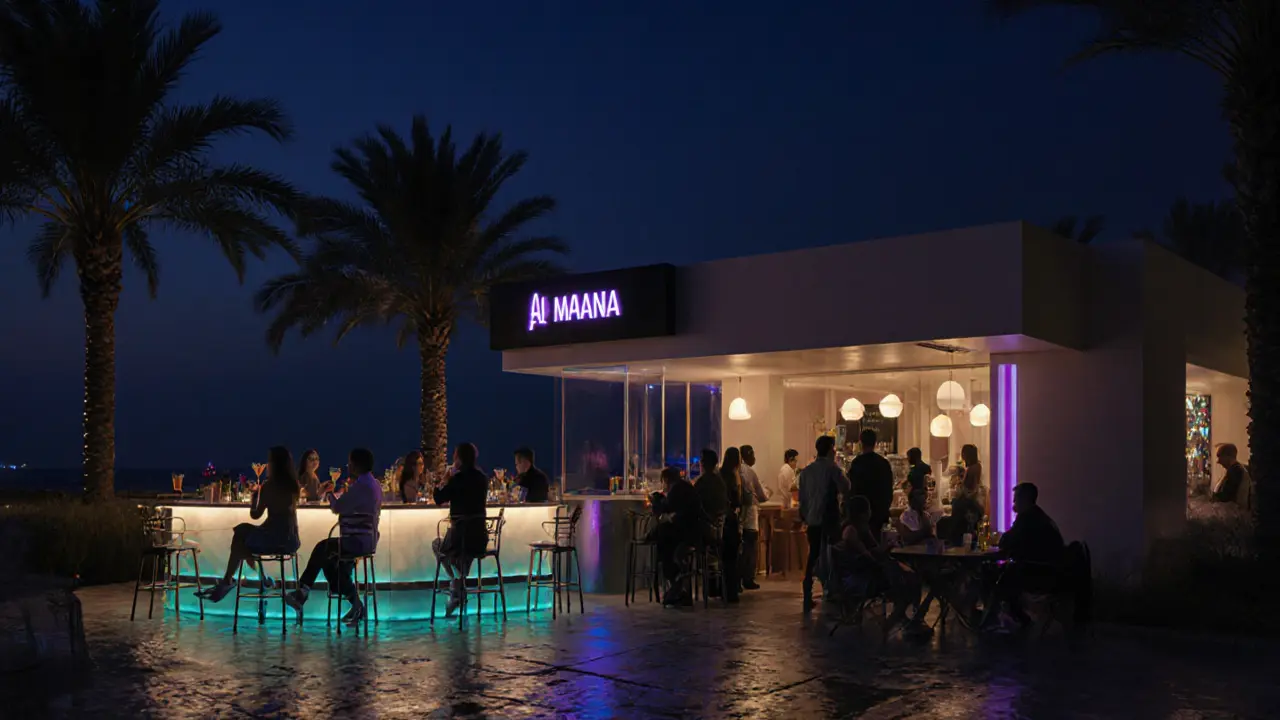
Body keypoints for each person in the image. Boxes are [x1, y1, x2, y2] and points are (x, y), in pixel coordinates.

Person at [285, 448, 383, 625]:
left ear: (356, 464)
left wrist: (329, 494)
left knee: (322, 548)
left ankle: (303, 592)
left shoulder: (361, 486)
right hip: (367, 540)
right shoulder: (374, 485)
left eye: (350, 463)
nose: (349, 466)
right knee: (328, 562)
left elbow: (337, 507)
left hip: (355, 541)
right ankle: (356, 605)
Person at [197, 446, 301, 602]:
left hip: (274, 540)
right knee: (242, 537)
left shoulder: (269, 486)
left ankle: (231, 580)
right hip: (291, 541)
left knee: (240, 536)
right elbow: (280, 517)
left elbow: (255, 515)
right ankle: (259, 580)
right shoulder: (294, 487)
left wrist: (254, 499)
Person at [830, 495, 921, 627]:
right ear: (862, 513)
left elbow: (873, 551)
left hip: (865, 573)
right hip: (863, 578)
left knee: (908, 579)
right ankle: (896, 622)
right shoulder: (851, 531)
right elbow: (867, 556)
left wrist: (888, 546)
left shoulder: (860, 528)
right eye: (869, 510)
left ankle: (901, 619)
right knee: (909, 582)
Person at [993, 483, 1066, 627]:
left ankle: (1003, 618)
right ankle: (1015, 617)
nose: (1013, 504)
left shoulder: (1027, 519)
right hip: (1053, 573)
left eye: (1015, 500)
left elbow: (1007, 542)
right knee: (1005, 573)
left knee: (998, 577)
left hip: (1037, 575)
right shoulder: (1040, 517)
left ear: (1024, 500)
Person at [432, 442, 490, 615]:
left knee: (437, 545)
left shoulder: (457, 479)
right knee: (463, 556)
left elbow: (438, 498)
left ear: (458, 459)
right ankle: (457, 587)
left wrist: (444, 480)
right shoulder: (482, 478)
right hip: (480, 539)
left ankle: (457, 583)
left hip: (460, 538)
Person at [798, 434, 851, 612]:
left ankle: (807, 591)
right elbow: (846, 487)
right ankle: (833, 590)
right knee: (835, 554)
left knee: (813, 555)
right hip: (829, 518)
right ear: (830, 449)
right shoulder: (832, 468)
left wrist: (805, 516)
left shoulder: (806, 471)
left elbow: (802, 499)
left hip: (812, 519)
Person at [651, 465, 706, 606]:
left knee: (663, 541)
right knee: (664, 535)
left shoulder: (677, 489)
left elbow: (666, 507)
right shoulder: (685, 487)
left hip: (687, 534)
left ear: (667, 479)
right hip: (696, 531)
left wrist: (656, 500)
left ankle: (675, 581)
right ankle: (677, 585)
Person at [847, 429, 894, 541]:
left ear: (860, 442)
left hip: (861, 513)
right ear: (875, 442)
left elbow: (852, 488)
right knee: (877, 543)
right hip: (879, 511)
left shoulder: (857, 463)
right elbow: (888, 488)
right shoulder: (883, 463)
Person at [738, 445, 769, 590]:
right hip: (750, 515)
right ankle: (748, 578)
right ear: (748, 455)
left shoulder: (736, 470)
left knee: (740, 548)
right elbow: (762, 496)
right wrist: (767, 493)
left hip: (737, 516)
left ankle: (737, 579)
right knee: (750, 548)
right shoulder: (750, 471)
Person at [718, 447, 745, 602]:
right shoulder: (733, 476)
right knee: (732, 557)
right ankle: (732, 591)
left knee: (724, 558)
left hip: (720, 520)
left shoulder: (720, 475)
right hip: (731, 520)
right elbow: (737, 500)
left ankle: (724, 590)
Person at [1211, 443, 1251, 507]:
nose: (1218, 461)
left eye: (1219, 456)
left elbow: (1226, 497)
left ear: (1228, 456)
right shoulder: (1234, 470)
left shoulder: (1235, 471)